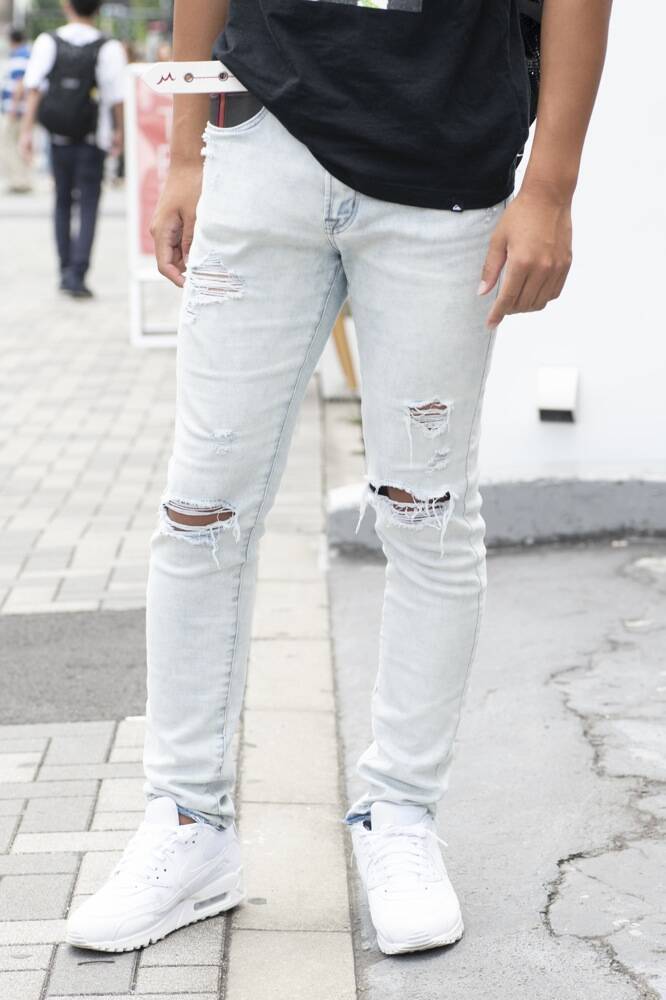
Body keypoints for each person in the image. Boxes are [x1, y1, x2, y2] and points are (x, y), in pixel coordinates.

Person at [65, 0, 613, 957]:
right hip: (263, 145)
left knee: (427, 514)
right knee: (200, 510)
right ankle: (187, 825)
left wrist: (553, 186)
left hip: (446, 164)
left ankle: (400, 815)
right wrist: (186, 153)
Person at [19, 0, 126, 298]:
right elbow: (117, 97)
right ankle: (78, 272)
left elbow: (34, 89)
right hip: (94, 139)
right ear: (99, 8)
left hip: (58, 137)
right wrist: (119, 132)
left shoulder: (48, 41)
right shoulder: (109, 47)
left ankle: (64, 269)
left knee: (62, 202)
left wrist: (26, 132)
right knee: (89, 203)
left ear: (67, 6)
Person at [0, 27, 32, 194]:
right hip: (24, 109)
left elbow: (19, 83)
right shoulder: (26, 54)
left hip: (17, 109)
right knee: (21, 143)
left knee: (7, 143)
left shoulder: (20, 56)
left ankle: (18, 180)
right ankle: (23, 179)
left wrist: (13, 107)